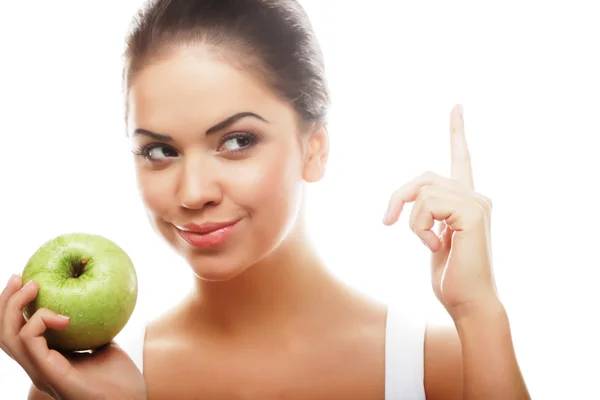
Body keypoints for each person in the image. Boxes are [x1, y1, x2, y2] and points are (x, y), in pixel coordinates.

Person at [0, 0, 531, 399]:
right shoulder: (86, 384)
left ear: (314, 148)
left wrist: (478, 310)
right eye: (160, 150)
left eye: (237, 141)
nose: (193, 193)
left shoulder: (436, 365)